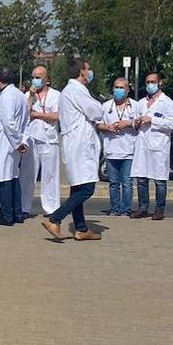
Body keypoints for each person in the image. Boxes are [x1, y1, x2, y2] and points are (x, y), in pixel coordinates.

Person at [41, 60, 105, 241]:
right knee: (87, 189)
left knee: (77, 187)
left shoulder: (69, 91)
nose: (90, 72)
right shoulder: (76, 90)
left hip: (75, 143)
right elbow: (96, 111)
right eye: (88, 68)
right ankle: (55, 219)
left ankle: (81, 228)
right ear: (82, 72)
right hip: (80, 144)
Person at [131, 71, 173, 220]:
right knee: (141, 178)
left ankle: (159, 209)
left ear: (160, 82)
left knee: (159, 180)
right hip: (142, 144)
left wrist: (152, 120)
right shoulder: (141, 103)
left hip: (159, 145)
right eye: (148, 82)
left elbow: (172, 123)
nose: (150, 85)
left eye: (153, 82)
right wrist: (136, 123)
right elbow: (134, 122)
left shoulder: (167, 102)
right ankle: (142, 207)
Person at [0, 69, 29, 226]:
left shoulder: (6, 97)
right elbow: (26, 121)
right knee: (13, 177)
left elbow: (8, 123)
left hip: (5, 143)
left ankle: (7, 216)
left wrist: (18, 143)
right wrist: (22, 141)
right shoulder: (20, 95)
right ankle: (17, 213)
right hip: (14, 143)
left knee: (4, 179)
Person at [21, 66, 61, 218]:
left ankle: (51, 208)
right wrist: (31, 96)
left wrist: (37, 114)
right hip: (31, 138)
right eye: (33, 77)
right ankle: (25, 207)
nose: (35, 80)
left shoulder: (56, 95)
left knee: (50, 175)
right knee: (27, 175)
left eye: (38, 77)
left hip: (49, 140)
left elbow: (57, 116)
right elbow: (25, 114)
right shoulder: (27, 95)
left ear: (46, 79)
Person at [97, 77, 140, 217]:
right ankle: (115, 208)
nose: (118, 90)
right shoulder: (106, 106)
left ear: (128, 90)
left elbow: (140, 124)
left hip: (128, 149)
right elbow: (98, 124)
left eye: (122, 88)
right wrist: (108, 127)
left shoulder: (135, 106)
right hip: (111, 149)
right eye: (116, 87)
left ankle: (126, 209)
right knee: (113, 182)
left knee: (127, 183)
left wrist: (127, 123)